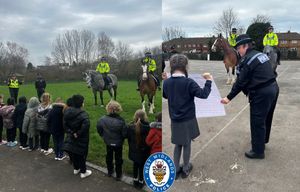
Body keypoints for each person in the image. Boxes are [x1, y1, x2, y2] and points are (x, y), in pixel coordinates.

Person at [221, 34, 279, 159]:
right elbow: (273, 71)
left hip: (261, 93)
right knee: (267, 117)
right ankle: (262, 141)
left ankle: (258, 151)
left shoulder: (247, 60)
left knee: (257, 121)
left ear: (245, 46)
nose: (237, 51)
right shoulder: (261, 55)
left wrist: (228, 97)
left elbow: (240, 82)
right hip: (273, 87)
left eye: (238, 48)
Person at [163, 54, 212, 179]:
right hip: (188, 119)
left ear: (171, 67)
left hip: (174, 119)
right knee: (187, 144)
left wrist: (165, 81)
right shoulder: (188, 82)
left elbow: (165, 95)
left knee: (178, 144)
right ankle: (185, 168)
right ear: (185, 66)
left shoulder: (167, 82)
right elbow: (203, 94)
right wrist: (209, 81)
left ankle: (175, 169)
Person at [97, 101, 126, 181]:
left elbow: (99, 129)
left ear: (108, 109)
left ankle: (110, 171)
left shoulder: (102, 119)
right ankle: (118, 174)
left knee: (109, 156)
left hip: (108, 141)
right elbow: (124, 133)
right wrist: (122, 138)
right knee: (118, 158)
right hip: (118, 143)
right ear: (118, 109)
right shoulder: (121, 121)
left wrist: (103, 136)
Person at [63, 94, 92, 179]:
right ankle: (83, 172)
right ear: (81, 103)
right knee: (81, 154)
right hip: (81, 138)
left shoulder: (67, 111)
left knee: (73, 152)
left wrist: (71, 133)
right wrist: (77, 133)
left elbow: (65, 125)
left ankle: (76, 168)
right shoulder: (84, 114)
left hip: (71, 137)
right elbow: (86, 126)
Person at [126, 109, 150, 188]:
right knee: (142, 166)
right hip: (143, 152)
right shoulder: (148, 128)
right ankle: (140, 181)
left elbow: (128, 138)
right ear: (144, 117)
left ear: (135, 116)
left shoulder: (130, 127)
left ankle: (135, 180)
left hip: (134, 151)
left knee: (135, 165)